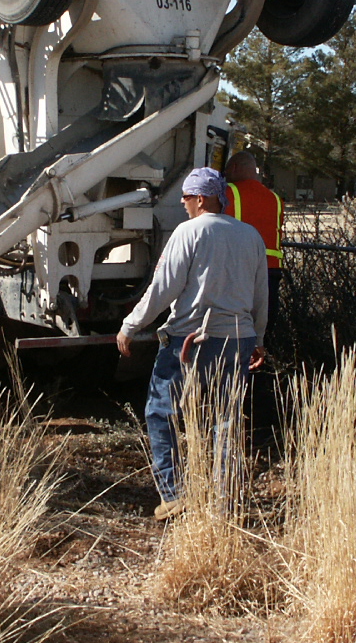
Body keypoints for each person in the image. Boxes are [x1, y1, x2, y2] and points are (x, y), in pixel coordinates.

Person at [116, 167, 268, 519]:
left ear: (201, 198)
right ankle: (224, 501)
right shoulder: (251, 236)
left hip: (190, 340)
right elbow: (261, 295)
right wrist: (257, 339)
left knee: (161, 413)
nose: (183, 204)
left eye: (185, 197)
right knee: (225, 418)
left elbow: (163, 288)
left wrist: (131, 324)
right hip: (238, 339)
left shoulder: (188, 232)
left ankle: (174, 495)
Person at [223, 151, 285, 346]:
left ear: (233, 169)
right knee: (262, 330)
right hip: (271, 271)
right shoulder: (275, 199)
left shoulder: (227, 192)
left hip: (241, 269)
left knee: (233, 330)